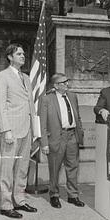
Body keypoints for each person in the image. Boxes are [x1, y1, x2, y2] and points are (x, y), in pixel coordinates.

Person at [0, 43, 37, 219]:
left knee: (22, 167)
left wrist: (35, 130)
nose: (23, 56)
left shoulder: (26, 78)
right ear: (10, 57)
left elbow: (30, 104)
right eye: (19, 54)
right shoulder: (2, 76)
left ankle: (19, 199)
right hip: (11, 130)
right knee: (8, 167)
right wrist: (6, 130)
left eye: (23, 54)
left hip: (26, 129)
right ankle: (5, 204)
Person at [40, 73, 85, 208]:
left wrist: (79, 133)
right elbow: (42, 123)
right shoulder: (47, 99)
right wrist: (44, 143)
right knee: (55, 167)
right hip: (56, 138)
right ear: (55, 86)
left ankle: (73, 195)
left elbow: (78, 117)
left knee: (73, 167)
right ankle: (54, 195)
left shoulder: (72, 96)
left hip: (72, 136)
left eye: (67, 81)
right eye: (63, 82)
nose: (66, 84)